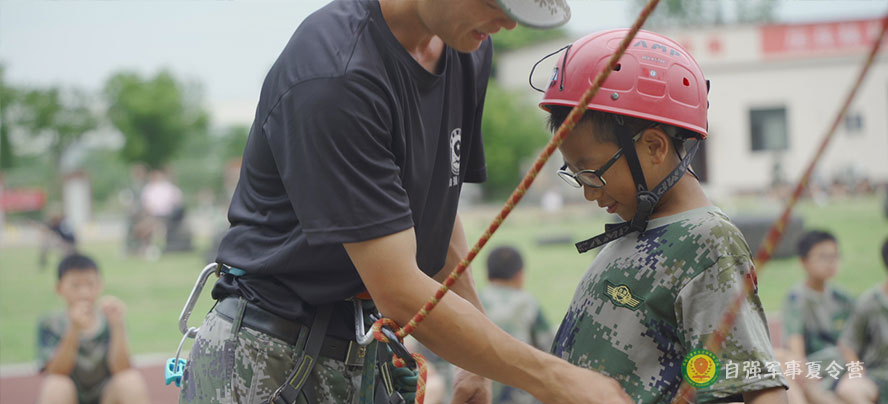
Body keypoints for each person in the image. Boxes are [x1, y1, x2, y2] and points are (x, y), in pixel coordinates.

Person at [179, 1, 633, 404]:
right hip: (268, 358)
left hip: (364, 351)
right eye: (496, 2)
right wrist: (555, 380)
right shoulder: (337, 74)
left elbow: (436, 205)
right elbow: (398, 289)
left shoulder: (468, 46)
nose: (507, 23)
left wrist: (472, 356)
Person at [539, 29, 789, 403]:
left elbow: (758, 388)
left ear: (654, 147)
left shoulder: (707, 241)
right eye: (575, 176)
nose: (589, 192)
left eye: (591, 172)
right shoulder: (634, 229)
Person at [36, 253, 150, 404]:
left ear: (100, 285)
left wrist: (117, 326)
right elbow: (56, 371)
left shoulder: (110, 318)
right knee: (56, 386)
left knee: (130, 380)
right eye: (75, 286)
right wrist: (74, 329)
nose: (85, 292)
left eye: (91, 284)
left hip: (107, 396)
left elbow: (122, 368)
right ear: (59, 288)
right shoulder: (50, 323)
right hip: (70, 396)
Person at [779, 230, 854, 404]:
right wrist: (804, 371)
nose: (830, 263)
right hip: (814, 367)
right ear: (803, 261)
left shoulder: (844, 298)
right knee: (782, 358)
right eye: (822, 257)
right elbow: (795, 341)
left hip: (841, 365)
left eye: (834, 256)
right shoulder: (796, 298)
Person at [480, 245, 553, 404]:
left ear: (487, 275)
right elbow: (549, 348)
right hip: (515, 395)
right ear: (520, 275)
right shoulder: (527, 302)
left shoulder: (475, 300)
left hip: (475, 391)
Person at [835, 237, 888, 404]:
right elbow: (848, 344)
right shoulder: (870, 302)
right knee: (849, 388)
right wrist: (858, 373)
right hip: (878, 374)